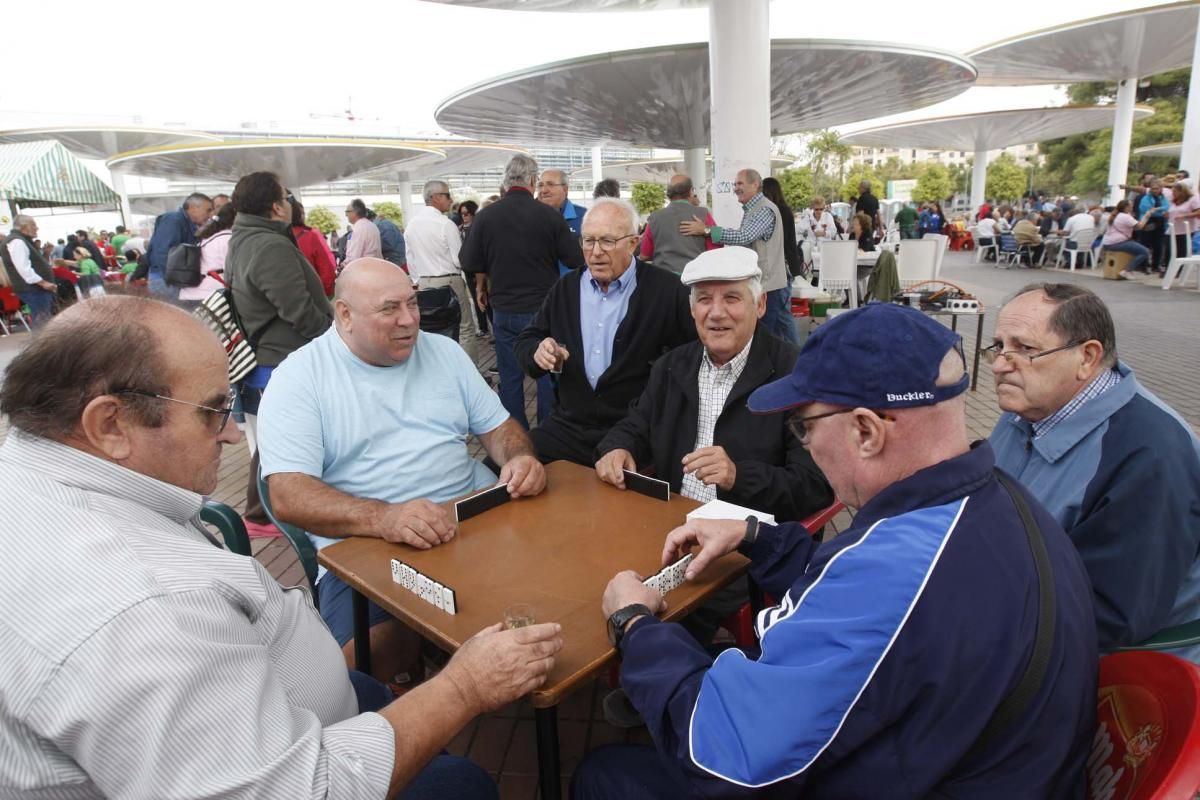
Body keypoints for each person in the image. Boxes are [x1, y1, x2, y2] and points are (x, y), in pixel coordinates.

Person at [0, 295, 561, 799]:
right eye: (213, 410)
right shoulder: (142, 610)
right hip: (305, 749)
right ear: (109, 425)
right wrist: (463, 687)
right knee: (462, 783)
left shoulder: (43, 480)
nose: (232, 435)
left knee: (366, 682)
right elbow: (301, 788)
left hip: (289, 695)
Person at [575, 302, 1098, 798]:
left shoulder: (896, 575)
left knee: (604, 775)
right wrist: (755, 536)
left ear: (867, 431)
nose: (806, 444)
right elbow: (879, 604)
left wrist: (635, 626)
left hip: (913, 774)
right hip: (976, 763)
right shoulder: (996, 499)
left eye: (803, 427)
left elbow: (723, 752)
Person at [258, 258, 548, 681]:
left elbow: (501, 429)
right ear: (344, 314)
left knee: (558, 584)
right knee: (356, 670)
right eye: (390, 309)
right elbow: (287, 494)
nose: (410, 320)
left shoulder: (444, 352)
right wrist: (385, 517)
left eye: (412, 303)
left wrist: (520, 458)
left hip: (475, 518)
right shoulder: (300, 378)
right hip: (372, 546)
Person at [988, 284, 1200, 660]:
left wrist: (967, 615)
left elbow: (1112, 615)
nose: (1000, 363)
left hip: (1124, 670)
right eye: (999, 345)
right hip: (1025, 609)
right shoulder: (1027, 411)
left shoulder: (1149, 454)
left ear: (1087, 357)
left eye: (1024, 349)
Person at [513, 198, 695, 465]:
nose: (596, 252)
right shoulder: (566, 288)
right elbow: (527, 340)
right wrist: (538, 352)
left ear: (633, 243)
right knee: (505, 466)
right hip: (569, 428)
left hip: (635, 431)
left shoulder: (667, 291)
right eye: (588, 241)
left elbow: (692, 357)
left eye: (607, 241)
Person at [225, 172, 334, 533]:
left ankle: (262, 511)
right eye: (287, 198)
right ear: (275, 206)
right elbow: (298, 309)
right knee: (283, 437)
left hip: (273, 356)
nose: (291, 204)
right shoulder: (269, 245)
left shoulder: (245, 238)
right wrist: (333, 337)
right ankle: (261, 513)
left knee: (277, 436)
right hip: (284, 356)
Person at [460, 154, 586, 428]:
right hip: (543, 311)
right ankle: (547, 433)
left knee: (510, 374)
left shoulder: (486, 217)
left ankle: (516, 433)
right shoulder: (548, 216)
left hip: (504, 310)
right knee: (544, 373)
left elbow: (468, 261)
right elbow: (576, 260)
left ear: (506, 181)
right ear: (531, 180)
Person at [680, 168, 797, 345]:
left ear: (755, 184)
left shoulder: (764, 209)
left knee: (765, 334)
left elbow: (744, 236)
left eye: (740, 183)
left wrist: (706, 230)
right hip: (770, 282)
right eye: (735, 184)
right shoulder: (753, 209)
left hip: (770, 284)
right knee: (783, 330)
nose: (735, 188)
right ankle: (801, 364)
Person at [405, 179, 478, 362]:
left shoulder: (412, 225)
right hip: (449, 280)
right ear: (435, 197)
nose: (450, 199)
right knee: (464, 328)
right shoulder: (445, 224)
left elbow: (410, 260)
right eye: (447, 195)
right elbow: (458, 260)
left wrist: (418, 280)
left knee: (432, 330)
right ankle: (470, 374)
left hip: (423, 282)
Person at [640, 174, 717, 275]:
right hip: (695, 278)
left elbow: (644, 255)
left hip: (663, 278)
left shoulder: (655, 218)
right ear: (691, 192)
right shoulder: (703, 214)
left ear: (668, 194)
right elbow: (715, 249)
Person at [146, 193, 213, 301]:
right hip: (166, 281)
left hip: (171, 281)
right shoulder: (173, 220)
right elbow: (163, 252)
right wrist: (175, 282)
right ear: (194, 207)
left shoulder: (186, 223)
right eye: (208, 210)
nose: (210, 215)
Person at [1, 214, 57, 325]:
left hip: (34, 288)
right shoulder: (17, 241)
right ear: (24, 226)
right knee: (42, 321)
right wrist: (43, 283)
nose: (36, 228)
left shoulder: (21, 240)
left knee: (43, 319)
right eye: (33, 225)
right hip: (34, 289)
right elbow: (23, 268)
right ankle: (42, 342)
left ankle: (43, 341)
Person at [178, 202, 236, 304]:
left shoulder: (208, 237)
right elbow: (233, 274)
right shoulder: (229, 239)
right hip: (209, 297)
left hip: (190, 295)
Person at [538, 168, 587, 276]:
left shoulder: (585, 217)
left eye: (550, 184)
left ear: (565, 189)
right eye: (540, 185)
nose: (544, 190)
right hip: (540, 289)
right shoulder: (530, 217)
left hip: (575, 287)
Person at [290, 198, 338, 296]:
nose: (302, 216)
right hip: (312, 296)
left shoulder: (268, 238)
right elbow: (327, 270)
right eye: (300, 213)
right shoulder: (311, 236)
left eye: (303, 213)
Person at [458, 200, 488, 337]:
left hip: (483, 270)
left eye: (467, 213)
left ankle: (490, 328)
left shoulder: (479, 229)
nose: (464, 216)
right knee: (476, 300)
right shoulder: (458, 230)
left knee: (487, 299)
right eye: (462, 214)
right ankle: (483, 328)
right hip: (469, 271)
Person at [1101, 200, 1154, 278]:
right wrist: (1147, 216)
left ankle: (1127, 269)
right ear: (1126, 207)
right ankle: (1127, 271)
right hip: (1117, 242)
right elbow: (1139, 226)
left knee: (1136, 248)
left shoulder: (1116, 214)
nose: (1132, 207)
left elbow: (1134, 227)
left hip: (1107, 243)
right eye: (1131, 206)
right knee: (1145, 252)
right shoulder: (1125, 216)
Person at [761, 176, 800, 278]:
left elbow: (783, 239)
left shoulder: (777, 211)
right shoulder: (783, 210)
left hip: (782, 263)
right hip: (785, 260)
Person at [1135, 178, 1170, 272]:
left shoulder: (1163, 198)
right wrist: (1160, 211)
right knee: (1145, 244)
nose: (1155, 190)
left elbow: (1167, 207)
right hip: (1148, 222)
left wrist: (1157, 209)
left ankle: (1156, 265)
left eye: (1157, 188)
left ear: (1161, 188)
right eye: (1153, 188)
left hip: (1160, 223)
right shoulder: (1146, 198)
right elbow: (1147, 210)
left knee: (1158, 245)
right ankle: (1143, 265)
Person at [1167, 180, 1200, 260]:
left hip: (1186, 230)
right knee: (1170, 251)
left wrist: (1185, 215)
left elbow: (1198, 212)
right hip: (1173, 229)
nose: (1173, 193)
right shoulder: (1174, 201)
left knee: (1182, 252)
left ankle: (1179, 270)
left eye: (1175, 191)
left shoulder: (1193, 199)